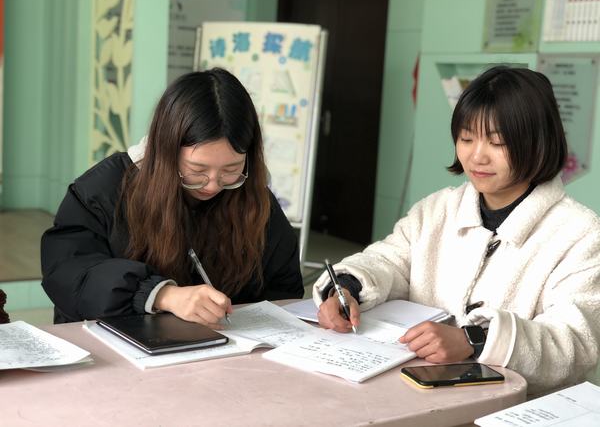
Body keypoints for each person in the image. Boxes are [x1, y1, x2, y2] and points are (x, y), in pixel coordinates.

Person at [313, 66, 600, 395]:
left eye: (497, 142)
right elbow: (389, 261)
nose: (477, 156)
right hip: (415, 391)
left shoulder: (580, 233)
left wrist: (475, 339)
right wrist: (346, 288)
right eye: (466, 138)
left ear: (538, 143)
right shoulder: (436, 210)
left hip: (512, 407)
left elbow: (576, 341)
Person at [42, 69, 304, 326]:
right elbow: (69, 274)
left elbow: (283, 288)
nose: (213, 185)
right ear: (166, 151)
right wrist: (160, 295)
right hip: (116, 344)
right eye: (197, 170)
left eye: (231, 169)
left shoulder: (253, 197)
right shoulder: (103, 190)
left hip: (226, 346)